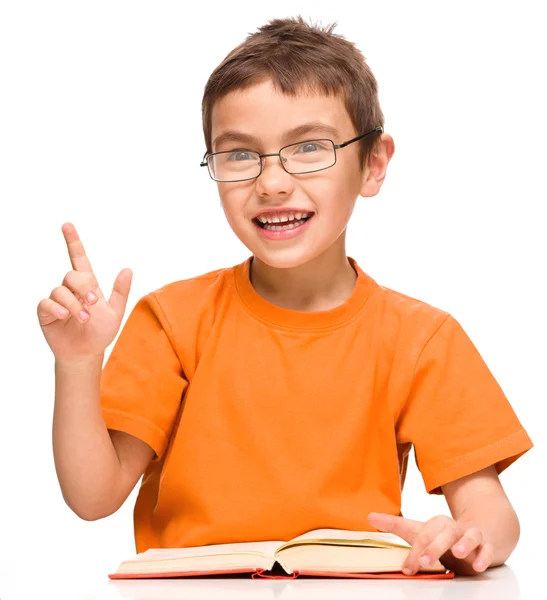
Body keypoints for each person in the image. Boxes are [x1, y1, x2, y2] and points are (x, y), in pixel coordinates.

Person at [37, 16, 533, 577]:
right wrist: (78, 364)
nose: (271, 182)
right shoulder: (171, 320)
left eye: (309, 148)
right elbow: (93, 496)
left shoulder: (422, 338)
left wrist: (467, 538)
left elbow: (491, 510)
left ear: (373, 164)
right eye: (241, 154)